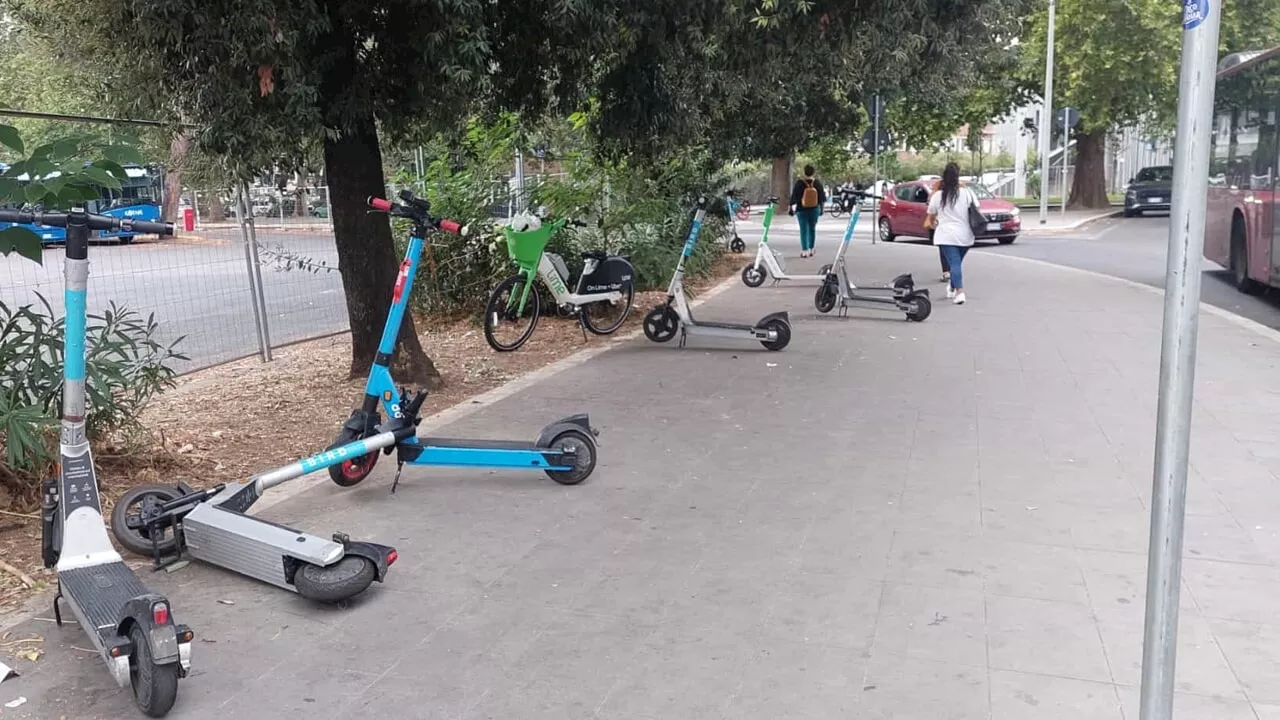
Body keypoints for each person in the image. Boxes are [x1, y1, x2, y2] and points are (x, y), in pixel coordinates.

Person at [925, 162, 977, 305]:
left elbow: (930, 212)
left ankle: (959, 291)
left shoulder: (938, 196)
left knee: (955, 264)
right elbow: (976, 208)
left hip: (946, 235)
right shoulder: (967, 193)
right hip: (965, 235)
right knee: (957, 263)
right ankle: (954, 287)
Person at [789, 165, 826, 258]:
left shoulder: (799, 183)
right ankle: (811, 249)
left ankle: (804, 250)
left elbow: (794, 197)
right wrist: (822, 209)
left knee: (803, 229)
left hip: (801, 209)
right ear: (813, 172)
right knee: (812, 229)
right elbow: (822, 198)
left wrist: (791, 207)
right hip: (814, 209)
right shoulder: (817, 183)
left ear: (804, 172)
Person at [923, 177, 950, 282]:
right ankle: (951, 271)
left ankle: (946, 272)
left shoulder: (935, 195)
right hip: (953, 227)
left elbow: (930, 210)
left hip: (940, 226)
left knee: (943, 250)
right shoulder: (956, 195)